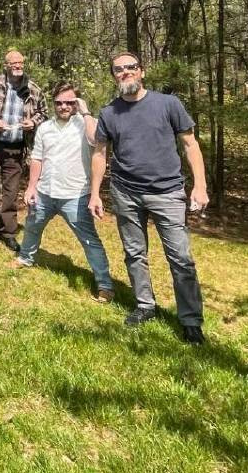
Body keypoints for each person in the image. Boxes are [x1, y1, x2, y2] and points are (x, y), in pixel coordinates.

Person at [89, 52, 210, 344]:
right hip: (126, 192)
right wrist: (95, 193)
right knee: (134, 253)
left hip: (167, 192)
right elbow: (100, 153)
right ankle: (145, 305)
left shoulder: (168, 104)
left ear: (141, 72)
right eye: (118, 69)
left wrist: (200, 186)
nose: (125, 73)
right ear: (113, 76)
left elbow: (190, 145)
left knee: (181, 259)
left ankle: (190, 321)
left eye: (130, 67)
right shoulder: (109, 113)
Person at [10, 83, 115, 301]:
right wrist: (31, 186)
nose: (63, 106)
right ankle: (25, 258)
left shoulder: (86, 124)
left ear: (76, 103)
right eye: (59, 103)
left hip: (76, 195)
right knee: (32, 227)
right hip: (45, 192)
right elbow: (37, 158)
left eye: (69, 102)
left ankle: (104, 284)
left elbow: (96, 140)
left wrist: (85, 111)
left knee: (89, 241)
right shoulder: (45, 127)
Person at [0, 50, 47, 252]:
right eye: (13, 62)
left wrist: (32, 122)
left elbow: (43, 112)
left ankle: (9, 233)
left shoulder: (34, 89)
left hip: (16, 147)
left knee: (12, 193)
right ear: (6, 65)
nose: (17, 65)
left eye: (20, 62)